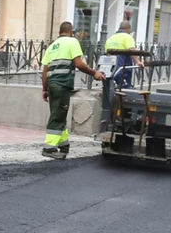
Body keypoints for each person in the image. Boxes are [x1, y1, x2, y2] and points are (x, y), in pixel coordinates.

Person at [40, 21, 104, 159]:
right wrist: (94, 73)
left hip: (51, 84)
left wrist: (44, 89)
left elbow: (45, 71)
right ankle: (48, 148)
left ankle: (63, 145)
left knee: (60, 114)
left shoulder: (51, 47)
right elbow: (78, 63)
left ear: (60, 32)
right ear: (70, 32)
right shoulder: (72, 42)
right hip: (62, 84)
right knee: (57, 116)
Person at [104, 20, 142, 89]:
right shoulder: (127, 37)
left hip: (110, 68)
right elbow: (132, 50)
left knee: (111, 88)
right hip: (123, 67)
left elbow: (107, 54)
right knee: (124, 89)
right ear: (128, 28)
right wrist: (138, 62)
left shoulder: (110, 38)